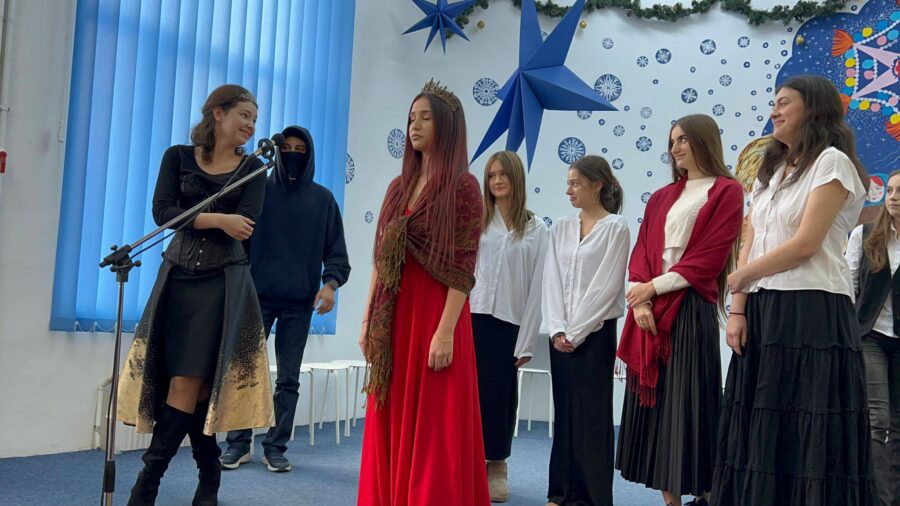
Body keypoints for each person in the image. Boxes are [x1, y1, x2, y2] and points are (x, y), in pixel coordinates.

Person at [711, 74, 871, 505]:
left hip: (813, 308)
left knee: (808, 427)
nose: (774, 111)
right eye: (774, 102)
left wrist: (742, 277)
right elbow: (751, 239)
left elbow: (805, 244)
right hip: (764, 308)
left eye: (784, 102)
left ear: (813, 108)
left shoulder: (832, 163)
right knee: (762, 426)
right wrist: (738, 308)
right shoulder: (772, 171)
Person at [117, 84, 274, 506]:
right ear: (218, 113)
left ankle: (146, 485)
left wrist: (219, 222)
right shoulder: (178, 157)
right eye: (244, 115)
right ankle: (209, 475)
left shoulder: (254, 168)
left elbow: (246, 225)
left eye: (254, 119)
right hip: (176, 278)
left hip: (221, 284)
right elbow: (163, 212)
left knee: (186, 382)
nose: (250, 125)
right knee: (191, 387)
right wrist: (219, 219)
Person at [356, 80, 490, 505]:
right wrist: (367, 321)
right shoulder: (397, 188)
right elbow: (380, 260)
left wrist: (445, 331)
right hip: (394, 316)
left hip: (436, 315)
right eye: (412, 117)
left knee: (435, 423)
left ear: (447, 126)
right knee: (391, 413)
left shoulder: (464, 187)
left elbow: (463, 268)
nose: (414, 125)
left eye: (425, 118)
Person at [615, 114, 744, 506]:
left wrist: (651, 289)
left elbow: (708, 258)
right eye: (672, 141)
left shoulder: (727, 191)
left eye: (683, 139)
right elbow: (642, 251)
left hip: (689, 310)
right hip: (649, 309)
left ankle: (705, 496)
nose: (675, 148)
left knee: (688, 406)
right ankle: (670, 501)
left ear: (704, 141)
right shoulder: (661, 196)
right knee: (657, 410)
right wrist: (640, 298)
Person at [221, 125, 351, 472]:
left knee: (288, 379)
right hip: (255, 298)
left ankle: (275, 446)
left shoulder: (323, 200)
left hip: (299, 302)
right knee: (243, 371)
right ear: (277, 152)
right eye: (287, 147)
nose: (293, 153)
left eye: (300, 149)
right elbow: (237, 243)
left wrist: (330, 285)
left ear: (309, 155)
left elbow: (336, 252)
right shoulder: (258, 191)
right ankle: (237, 444)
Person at [542, 155, 630, 506]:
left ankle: (593, 497)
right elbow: (551, 280)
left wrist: (576, 333)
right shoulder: (560, 228)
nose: (569, 190)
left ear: (597, 185)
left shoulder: (616, 228)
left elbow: (607, 286)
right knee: (564, 414)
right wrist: (557, 330)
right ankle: (560, 493)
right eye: (568, 183)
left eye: (575, 183)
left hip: (595, 335)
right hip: (560, 336)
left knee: (592, 417)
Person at [469, 150, 548, 502]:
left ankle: (497, 465)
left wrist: (526, 340)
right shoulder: (477, 221)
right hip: (471, 318)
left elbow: (538, 288)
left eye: (503, 174)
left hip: (508, 324)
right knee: (467, 394)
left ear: (516, 178)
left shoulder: (537, 229)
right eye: (491, 175)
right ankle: (467, 463)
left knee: (499, 396)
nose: (497, 181)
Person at [845, 169, 900, 506]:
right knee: (878, 420)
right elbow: (848, 287)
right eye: (890, 190)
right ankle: (880, 500)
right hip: (870, 336)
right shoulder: (863, 235)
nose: (894, 197)